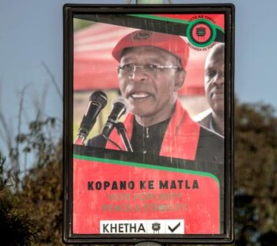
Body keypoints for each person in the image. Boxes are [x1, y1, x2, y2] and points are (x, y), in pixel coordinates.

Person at [86, 30, 223, 164]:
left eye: (152, 66)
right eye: (128, 66)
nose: (136, 76)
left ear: (179, 79)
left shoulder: (215, 150)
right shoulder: (96, 148)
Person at [198, 42, 225, 136]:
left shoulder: (266, 131)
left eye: (227, 73)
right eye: (211, 73)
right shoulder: (184, 132)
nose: (217, 80)